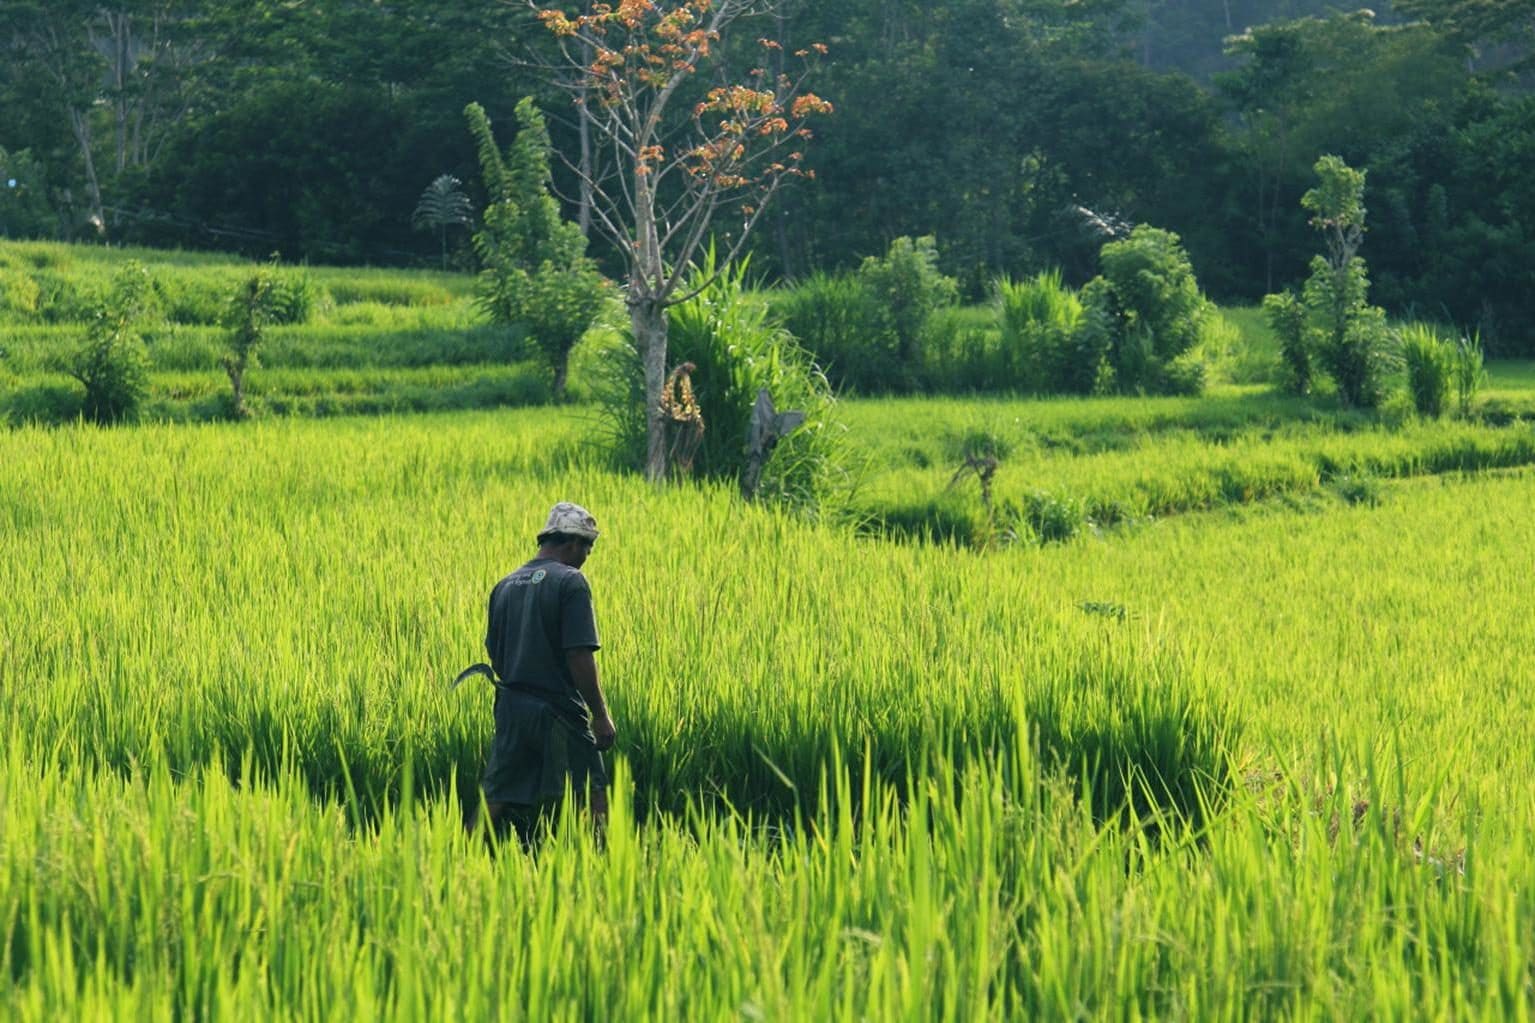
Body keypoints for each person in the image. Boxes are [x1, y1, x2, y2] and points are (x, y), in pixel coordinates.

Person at [467, 501, 616, 845]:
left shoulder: (504, 585)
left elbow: (494, 651)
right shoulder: (571, 581)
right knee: (592, 790)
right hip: (558, 708)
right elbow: (579, 654)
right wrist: (600, 715)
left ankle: (458, 859)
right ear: (572, 543)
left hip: (512, 706)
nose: (587, 555)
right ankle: (604, 863)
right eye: (588, 547)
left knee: (497, 793)